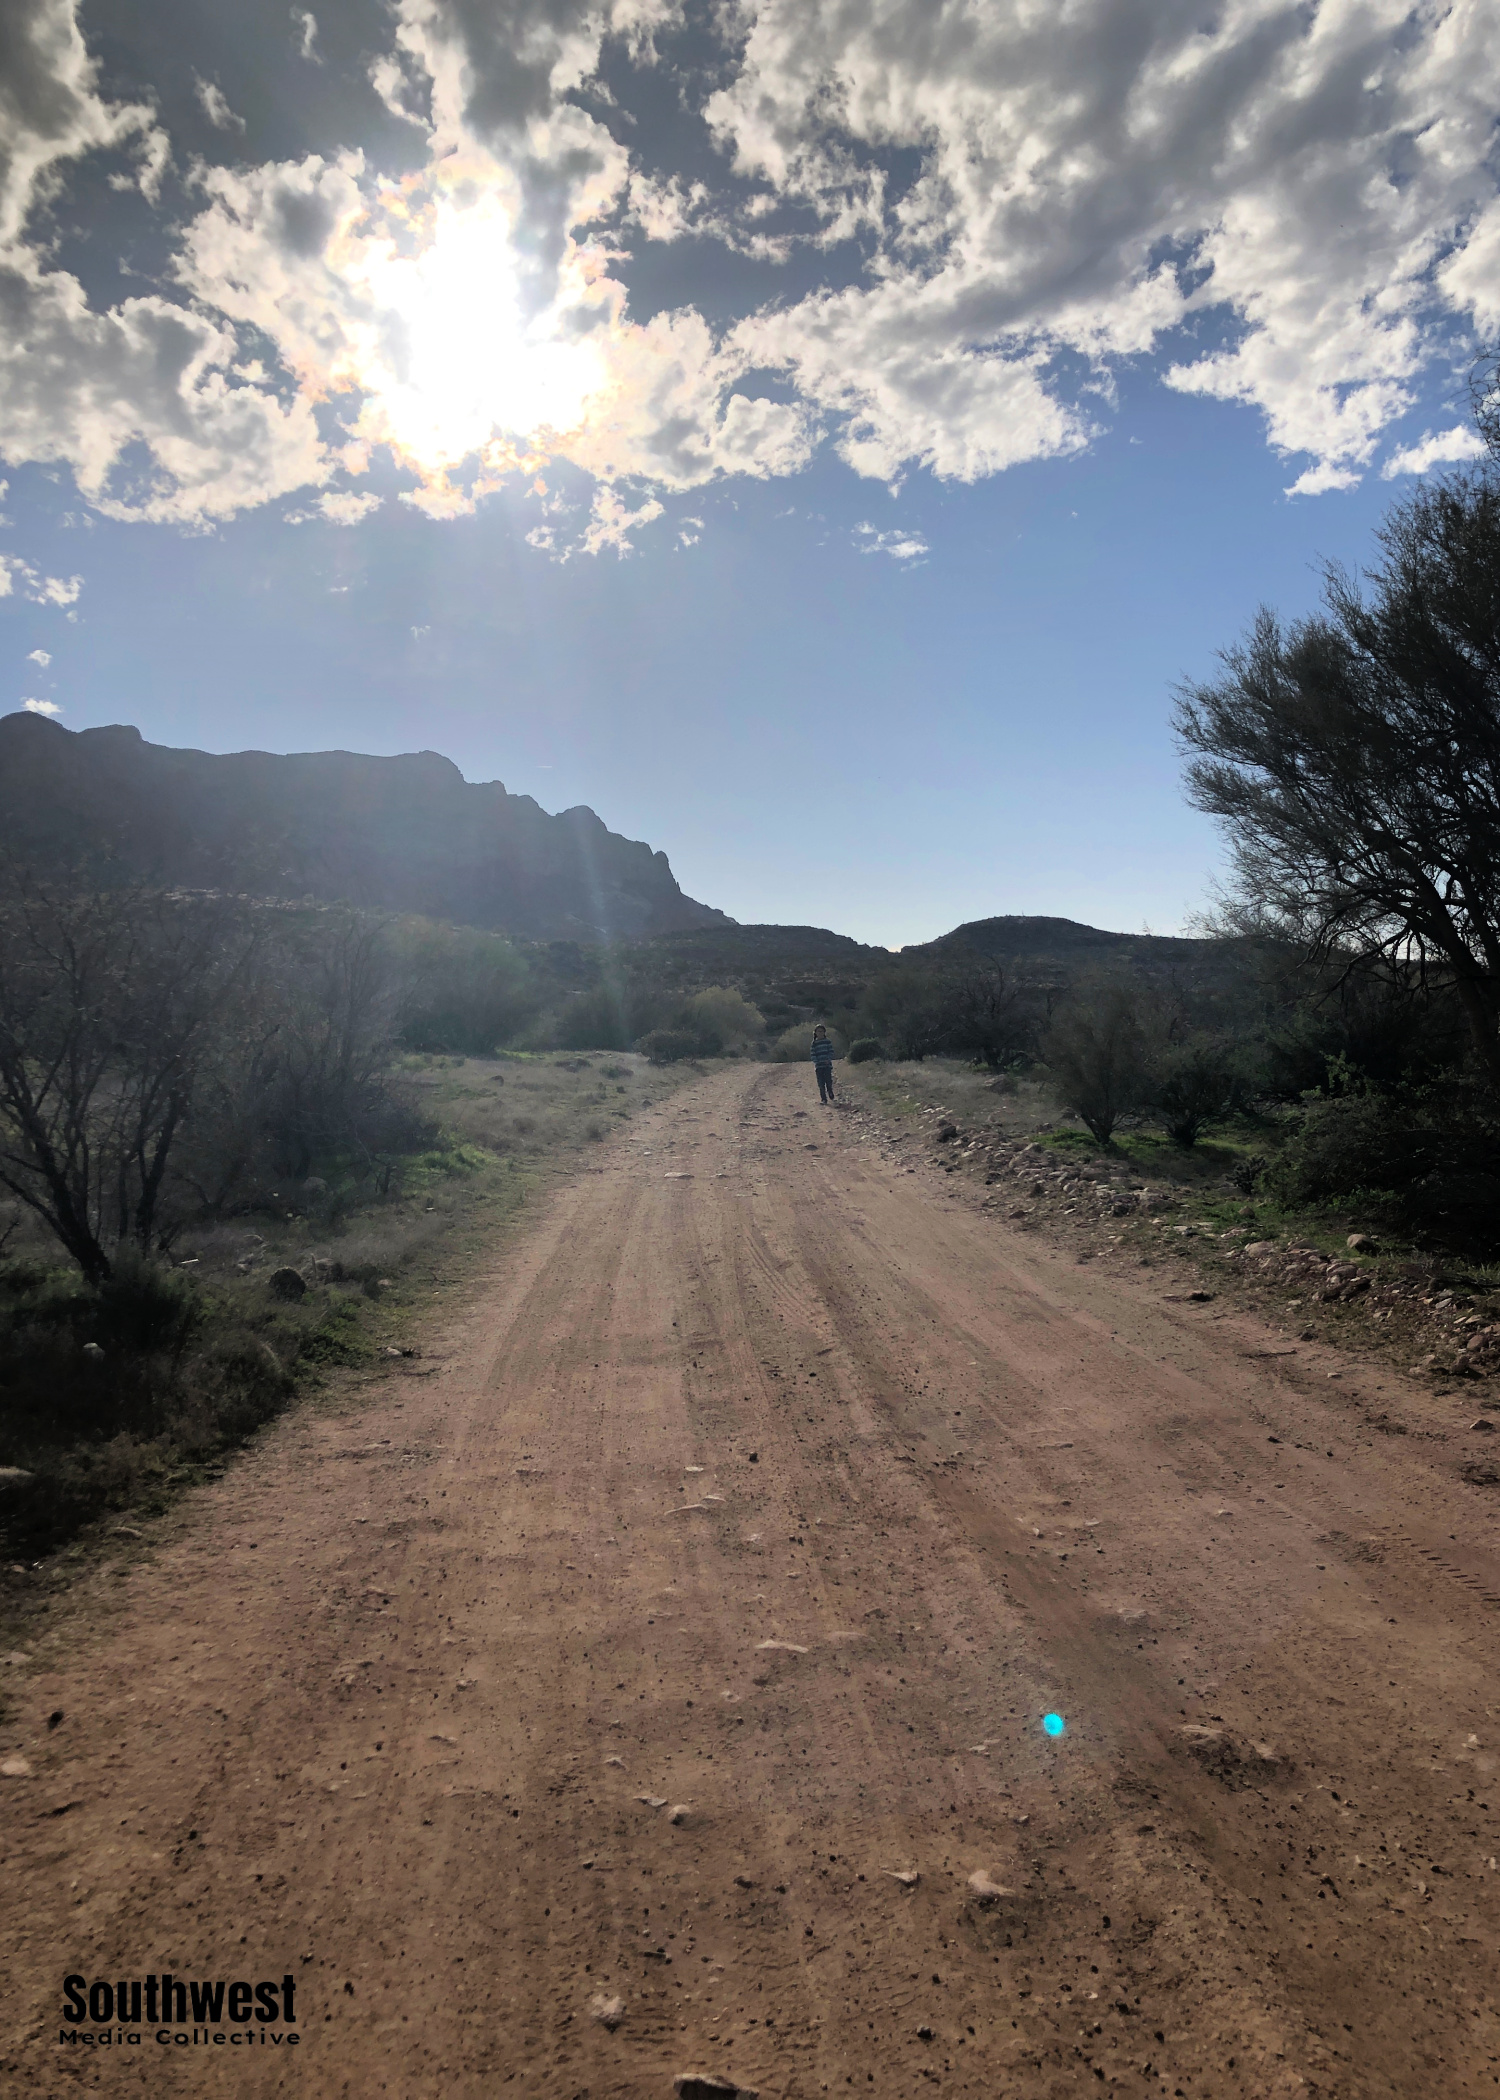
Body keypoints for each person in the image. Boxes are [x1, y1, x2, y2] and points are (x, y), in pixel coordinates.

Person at [811, 1023, 836, 1103]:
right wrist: (816, 1061)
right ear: (815, 1033)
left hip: (827, 1065)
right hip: (819, 1066)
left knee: (828, 1081)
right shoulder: (814, 1043)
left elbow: (831, 1052)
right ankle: (823, 1099)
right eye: (818, 1031)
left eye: (821, 1031)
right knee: (821, 1084)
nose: (820, 1033)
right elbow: (812, 1054)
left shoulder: (827, 1042)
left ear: (824, 1032)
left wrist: (828, 1059)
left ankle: (830, 1092)